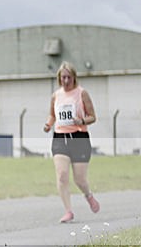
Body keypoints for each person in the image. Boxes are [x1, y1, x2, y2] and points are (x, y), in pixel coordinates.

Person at [43, 61, 100, 223]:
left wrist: (81, 120)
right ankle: (68, 211)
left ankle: (88, 195)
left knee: (79, 179)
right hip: (60, 138)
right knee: (62, 175)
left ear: (74, 78)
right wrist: (48, 124)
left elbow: (93, 117)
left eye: (68, 77)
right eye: (63, 78)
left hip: (79, 138)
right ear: (59, 79)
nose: (66, 81)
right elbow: (52, 115)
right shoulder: (56, 95)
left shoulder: (82, 93)